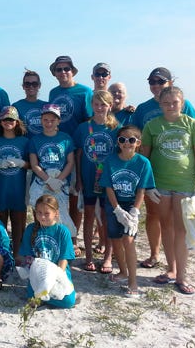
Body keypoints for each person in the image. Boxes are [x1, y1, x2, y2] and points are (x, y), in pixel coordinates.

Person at [141, 86, 195, 295]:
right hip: (160, 185)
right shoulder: (152, 126)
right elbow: (145, 158)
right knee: (166, 227)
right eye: (166, 103)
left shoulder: (193, 125)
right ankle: (171, 270)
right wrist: (147, 185)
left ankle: (182, 277)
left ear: (182, 103)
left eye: (175, 103)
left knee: (181, 230)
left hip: (185, 185)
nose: (170, 106)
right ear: (160, 104)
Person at [131, 67, 195, 270]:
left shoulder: (184, 105)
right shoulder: (143, 109)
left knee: (179, 223)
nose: (156, 85)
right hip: (154, 173)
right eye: (152, 82)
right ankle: (154, 254)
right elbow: (136, 136)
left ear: (170, 82)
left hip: (181, 176)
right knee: (154, 215)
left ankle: (178, 266)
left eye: (161, 81)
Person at [100, 125, 155, 298]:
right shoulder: (110, 161)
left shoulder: (143, 163)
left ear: (138, 143)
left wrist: (135, 212)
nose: (127, 143)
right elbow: (108, 187)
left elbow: (141, 190)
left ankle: (133, 282)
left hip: (131, 205)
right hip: (114, 204)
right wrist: (116, 209)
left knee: (128, 240)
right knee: (115, 239)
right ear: (118, 142)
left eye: (131, 140)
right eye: (122, 139)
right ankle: (123, 272)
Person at [73, 90, 120, 273]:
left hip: (108, 181)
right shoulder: (84, 128)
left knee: (107, 219)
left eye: (104, 104)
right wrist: (78, 178)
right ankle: (89, 257)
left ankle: (108, 257)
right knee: (89, 217)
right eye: (96, 104)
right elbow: (78, 154)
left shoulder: (116, 128)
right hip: (88, 179)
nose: (100, 108)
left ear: (110, 106)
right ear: (92, 105)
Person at [48, 56, 93, 237]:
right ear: (55, 73)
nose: (63, 72)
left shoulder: (84, 91)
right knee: (56, 194)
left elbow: (89, 120)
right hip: (56, 149)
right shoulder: (53, 93)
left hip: (76, 148)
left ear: (73, 71)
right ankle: (55, 232)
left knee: (74, 194)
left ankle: (72, 237)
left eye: (66, 69)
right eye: (59, 69)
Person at [19, 194, 76, 309]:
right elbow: (28, 257)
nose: (42, 217)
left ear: (56, 213)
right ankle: (44, 297)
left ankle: (47, 297)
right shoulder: (31, 229)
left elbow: (63, 260)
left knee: (68, 302)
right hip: (38, 272)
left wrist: (55, 277)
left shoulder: (63, 231)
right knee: (32, 298)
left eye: (46, 213)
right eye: (39, 212)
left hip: (57, 271)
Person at [0, 106, 29, 259]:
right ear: (0, 122)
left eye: (11, 119)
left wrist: (21, 163)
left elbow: (31, 164)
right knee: (1, 222)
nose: (8, 122)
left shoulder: (24, 141)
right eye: (5, 119)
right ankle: (3, 253)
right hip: (1, 188)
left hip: (18, 188)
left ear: (17, 122)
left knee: (19, 222)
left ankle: (18, 253)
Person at [29, 104, 75, 236]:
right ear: (41, 120)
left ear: (58, 121)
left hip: (61, 183)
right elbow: (34, 164)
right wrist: (48, 180)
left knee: (59, 214)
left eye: (52, 120)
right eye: (45, 120)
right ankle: (40, 239)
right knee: (41, 213)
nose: (49, 123)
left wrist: (58, 181)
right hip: (41, 182)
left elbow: (70, 162)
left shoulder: (65, 139)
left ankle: (60, 241)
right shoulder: (35, 140)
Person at [12, 70, 47, 139]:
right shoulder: (16, 106)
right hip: (25, 147)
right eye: (27, 84)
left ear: (39, 85)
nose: (31, 87)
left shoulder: (46, 106)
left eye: (34, 84)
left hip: (43, 146)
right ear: (23, 86)